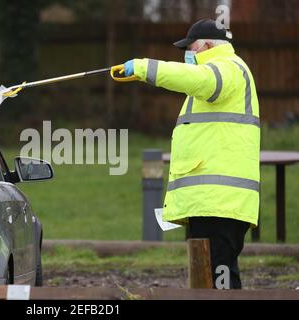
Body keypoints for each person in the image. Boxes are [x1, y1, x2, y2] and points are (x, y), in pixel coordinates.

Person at [122, 18, 260, 289]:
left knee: (219, 280)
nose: (188, 54)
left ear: (207, 45)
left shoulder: (228, 69)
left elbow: (197, 79)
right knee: (207, 277)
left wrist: (144, 67)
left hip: (221, 202)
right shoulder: (220, 72)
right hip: (209, 202)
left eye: (191, 47)